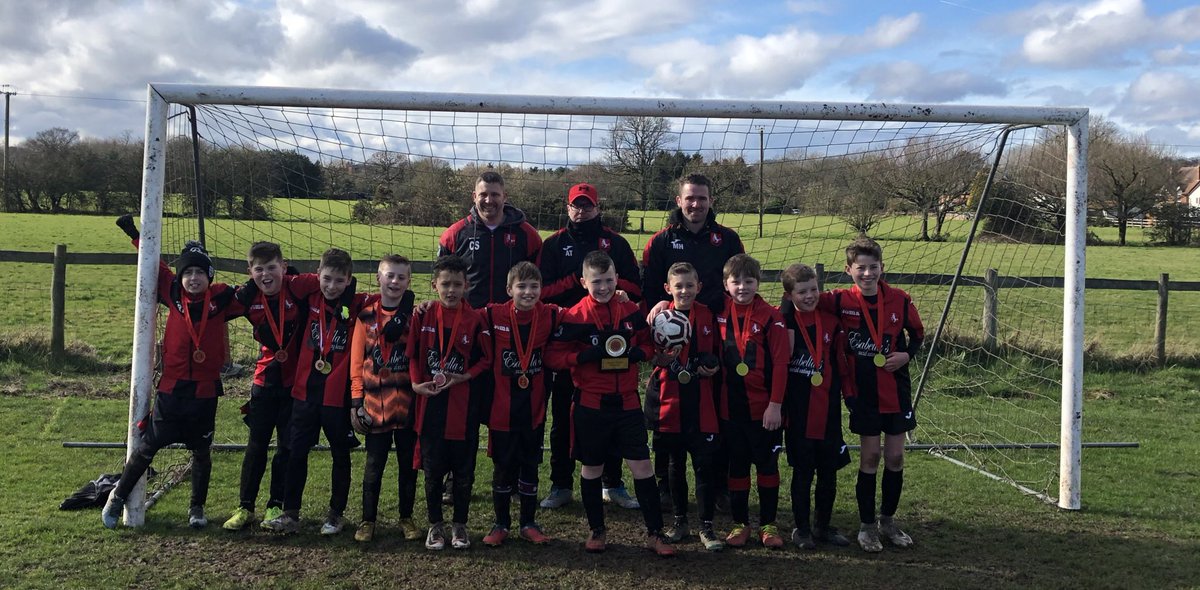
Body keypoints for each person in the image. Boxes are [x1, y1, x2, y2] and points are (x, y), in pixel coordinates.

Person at [103, 216, 244, 529]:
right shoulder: (172, 295)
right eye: (188, 272)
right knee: (146, 447)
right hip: (171, 390)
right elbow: (154, 264)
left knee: (202, 452)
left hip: (205, 392)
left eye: (199, 272)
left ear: (209, 276)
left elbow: (255, 294)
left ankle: (197, 508)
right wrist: (136, 235)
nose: (193, 278)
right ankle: (117, 497)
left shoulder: (221, 300)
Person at [546, 250, 674, 557]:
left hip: (628, 403)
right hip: (591, 404)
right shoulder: (574, 316)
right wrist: (579, 357)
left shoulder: (630, 310)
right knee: (592, 468)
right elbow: (551, 356)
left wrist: (641, 354)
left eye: (607, 280)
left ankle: (655, 534)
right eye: (596, 282)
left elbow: (646, 341)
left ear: (617, 279)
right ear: (583, 282)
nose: (602, 287)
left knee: (642, 466)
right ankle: (597, 531)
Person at [642, 173, 744, 512]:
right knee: (668, 413)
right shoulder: (661, 241)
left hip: (714, 335)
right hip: (672, 336)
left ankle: (716, 487)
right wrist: (657, 303)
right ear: (678, 201)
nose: (696, 204)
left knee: (714, 409)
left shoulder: (727, 239)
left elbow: (737, 282)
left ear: (711, 200)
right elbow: (649, 286)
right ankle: (665, 487)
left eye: (702, 198)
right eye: (690, 198)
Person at [538, 182, 642, 511]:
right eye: (576, 205)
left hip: (613, 347)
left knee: (611, 417)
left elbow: (634, 287)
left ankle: (613, 483)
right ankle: (560, 484)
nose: (581, 210)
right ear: (567, 207)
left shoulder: (616, 243)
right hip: (571, 341)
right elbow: (539, 292)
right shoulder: (554, 245)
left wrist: (614, 289)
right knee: (563, 417)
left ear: (598, 207)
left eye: (588, 205)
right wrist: (574, 281)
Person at [828, 237, 924, 553]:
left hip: (895, 389)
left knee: (895, 456)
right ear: (848, 270)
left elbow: (918, 335)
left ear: (882, 268)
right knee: (870, 456)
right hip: (863, 392)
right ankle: (867, 527)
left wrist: (907, 355)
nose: (868, 274)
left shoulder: (900, 300)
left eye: (873, 267)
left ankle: (889, 521)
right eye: (861, 268)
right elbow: (799, 299)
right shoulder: (840, 301)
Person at [262, 248, 367, 535]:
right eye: (326, 278)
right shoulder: (309, 298)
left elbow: (392, 299)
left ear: (349, 281)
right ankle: (291, 512)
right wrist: (318, 278)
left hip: (337, 397)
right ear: (318, 276)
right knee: (296, 452)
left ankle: (336, 513)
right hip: (304, 394)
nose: (331, 286)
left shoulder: (356, 305)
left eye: (339, 281)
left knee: (340, 455)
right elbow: (293, 280)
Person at [406, 255, 492, 551]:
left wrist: (465, 376)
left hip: (462, 407)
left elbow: (486, 359)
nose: (451, 290)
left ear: (467, 285)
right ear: (434, 285)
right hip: (430, 405)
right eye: (445, 284)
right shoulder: (423, 315)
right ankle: (435, 525)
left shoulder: (475, 319)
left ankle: (459, 525)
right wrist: (417, 384)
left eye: (457, 284)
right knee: (432, 473)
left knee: (464, 473)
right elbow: (414, 355)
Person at [222, 242, 304, 531]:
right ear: (250, 272)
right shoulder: (247, 297)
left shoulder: (298, 288)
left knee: (286, 448)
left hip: (295, 384)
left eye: (273, 268)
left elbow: (339, 280)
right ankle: (245, 507)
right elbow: (210, 303)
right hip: (264, 382)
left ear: (284, 267)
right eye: (259, 270)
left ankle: (275, 505)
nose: (266, 275)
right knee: (256, 446)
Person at [643, 262, 724, 551]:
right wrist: (659, 359)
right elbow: (648, 354)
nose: (684, 291)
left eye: (690, 285)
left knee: (704, 465)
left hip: (701, 402)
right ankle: (680, 522)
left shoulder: (707, 315)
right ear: (668, 289)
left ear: (699, 287)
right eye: (678, 286)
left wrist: (711, 366)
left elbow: (715, 353)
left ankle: (706, 526)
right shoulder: (659, 315)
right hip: (670, 401)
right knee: (675, 465)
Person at [479, 262, 558, 547]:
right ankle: (500, 524)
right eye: (521, 287)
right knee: (503, 468)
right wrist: (426, 305)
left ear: (541, 289)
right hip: (501, 411)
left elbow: (582, 315)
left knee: (530, 468)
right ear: (509, 289)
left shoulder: (550, 315)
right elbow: (461, 317)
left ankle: (528, 523)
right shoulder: (491, 314)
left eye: (534, 286)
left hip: (534, 411)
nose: (528, 292)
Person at [716, 253, 790, 549]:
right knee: (737, 466)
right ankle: (740, 524)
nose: (743, 287)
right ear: (726, 284)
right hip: (730, 408)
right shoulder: (718, 313)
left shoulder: (772, 317)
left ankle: (769, 524)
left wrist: (776, 404)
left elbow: (782, 365)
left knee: (767, 465)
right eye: (736, 282)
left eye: (749, 281)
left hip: (764, 411)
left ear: (758, 282)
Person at [779, 263, 852, 549]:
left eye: (813, 289)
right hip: (798, 412)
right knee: (803, 472)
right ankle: (802, 528)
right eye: (802, 292)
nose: (809, 296)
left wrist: (851, 397)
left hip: (829, 411)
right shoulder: (783, 323)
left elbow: (842, 364)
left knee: (828, 472)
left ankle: (823, 526)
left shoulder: (831, 322)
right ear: (789, 295)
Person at [349, 255, 420, 543]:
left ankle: (406, 516)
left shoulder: (414, 317)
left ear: (408, 282)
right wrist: (356, 401)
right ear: (378, 278)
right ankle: (368, 520)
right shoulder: (365, 316)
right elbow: (356, 363)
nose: (395, 282)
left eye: (401, 277)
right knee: (374, 465)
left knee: (408, 465)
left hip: (406, 404)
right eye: (390, 276)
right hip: (374, 405)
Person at [438, 170, 543, 309]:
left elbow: (539, 278)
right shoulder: (453, 235)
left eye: (495, 195)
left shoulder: (528, 234)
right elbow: (441, 280)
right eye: (483, 195)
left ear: (504, 197)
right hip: (468, 317)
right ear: (474, 197)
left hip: (511, 317)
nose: (489, 200)